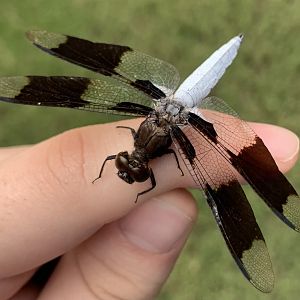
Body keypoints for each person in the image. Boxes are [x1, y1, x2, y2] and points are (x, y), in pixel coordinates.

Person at [0, 118, 299, 299]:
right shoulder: (137, 149)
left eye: (134, 168)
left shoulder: (159, 147)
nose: (132, 169)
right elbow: (152, 177)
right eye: (133, 167)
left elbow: (157, 178)